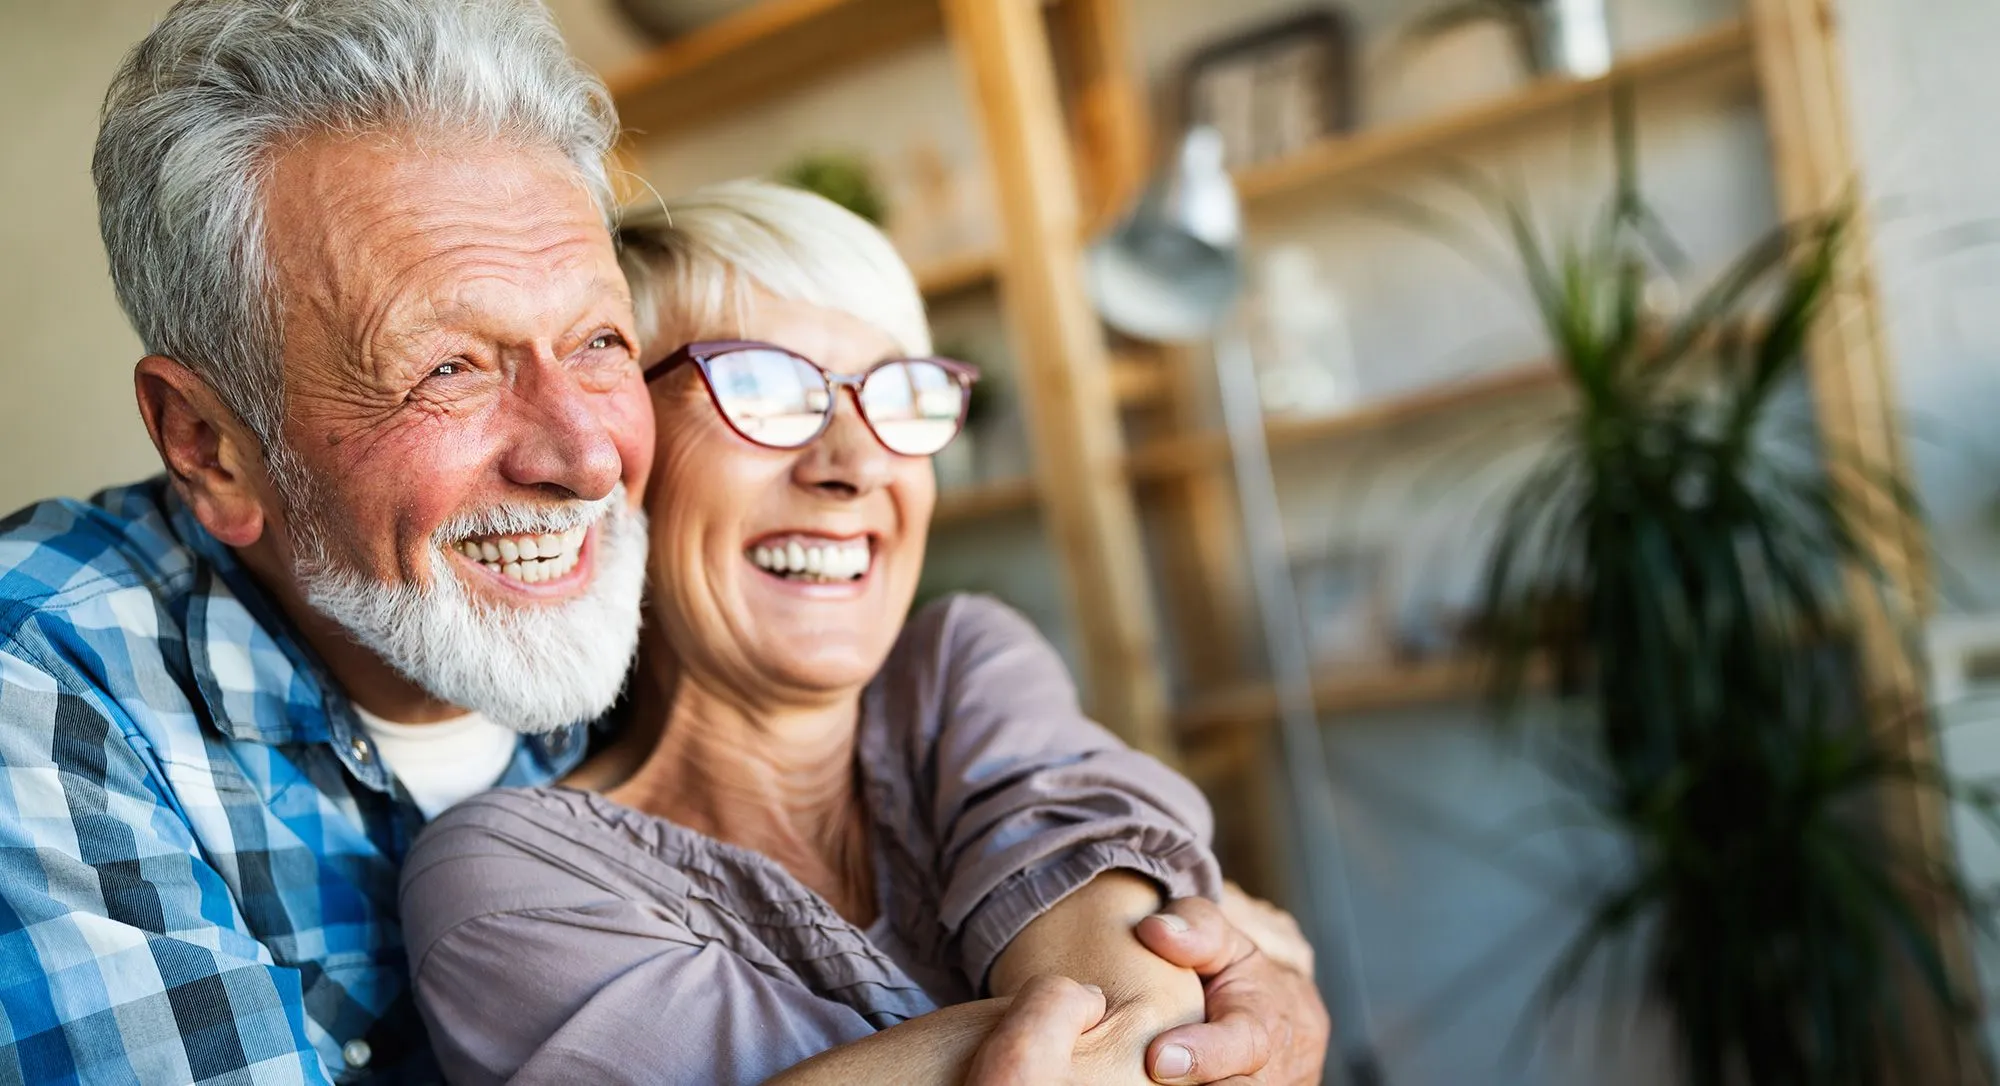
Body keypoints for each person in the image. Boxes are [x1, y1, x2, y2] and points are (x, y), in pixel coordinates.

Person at [0, 1, 1328, 1082]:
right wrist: (1164, 1007)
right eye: (448, 367)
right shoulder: (41, 688)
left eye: (597, 344)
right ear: (210, 444)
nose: (587, 458)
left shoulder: (673, 644)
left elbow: (1103, 864)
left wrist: (1227, 964)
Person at [399, 181, 1327, 1086]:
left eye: (900, 395)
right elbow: (1151, 1035)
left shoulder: (959, 667)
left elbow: (1147, 1022)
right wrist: (1174, 1002)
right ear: (621, 448)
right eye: (762, 389)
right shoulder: (512, 878)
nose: (856, 464)